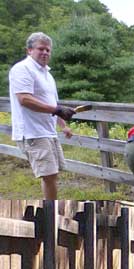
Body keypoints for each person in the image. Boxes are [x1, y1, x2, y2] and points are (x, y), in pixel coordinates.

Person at [9, 32, 77, 200]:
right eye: (41, 49)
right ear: (29, 50)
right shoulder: (22, 69)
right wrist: (57, 110)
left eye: (48, 50)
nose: (45, 53)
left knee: (53, 174)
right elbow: (24, 99)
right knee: (49, 176)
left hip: (48, 131)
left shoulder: (47, 74)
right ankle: (50, 212)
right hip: (32, 132)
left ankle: (50, 207)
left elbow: (54, 103)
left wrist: (63, 125)